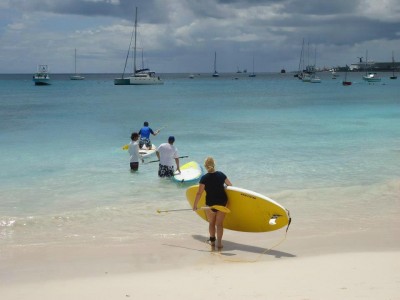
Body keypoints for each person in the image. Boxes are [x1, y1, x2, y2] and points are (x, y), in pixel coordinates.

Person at [193, 157, 232, 249]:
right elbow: (230, 185)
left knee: (211, 223)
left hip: (210, 204)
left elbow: (199, 193)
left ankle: (212, 241)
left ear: (205, 166)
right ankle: (219, 244)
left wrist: (195, 205)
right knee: (219, 224)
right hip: (222, 202)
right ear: (214, 164)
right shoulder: (221, 174)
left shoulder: (204, 178)